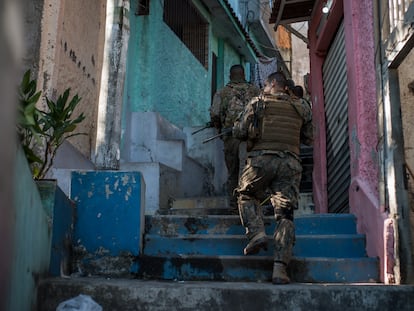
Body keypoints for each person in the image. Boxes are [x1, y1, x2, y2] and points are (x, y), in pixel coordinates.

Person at [232, 71, 313, 284]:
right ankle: (280, 269)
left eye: (265, 85)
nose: (263, 88)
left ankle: (257, 232)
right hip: (290, 163)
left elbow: (239, 131)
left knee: (246, 195)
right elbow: (309, 137)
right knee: (285, 215)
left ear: (272, 84)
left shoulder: (257, 103)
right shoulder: (302, 106)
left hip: (260, 161)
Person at [210, 64, 260, 210]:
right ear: (244, 75)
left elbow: (215, 114)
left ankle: (234, 206)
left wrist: (219, 128)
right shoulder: (255, 91)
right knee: (251, 171)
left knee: (232, 173)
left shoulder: (222, 92)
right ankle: (251, 205)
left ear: (230, 76)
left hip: (231, 137)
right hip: (251, 138)